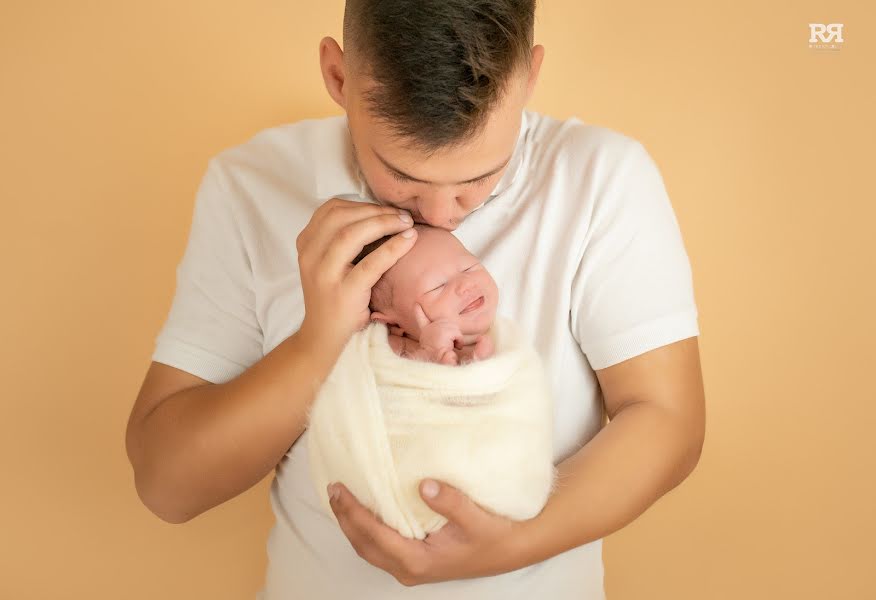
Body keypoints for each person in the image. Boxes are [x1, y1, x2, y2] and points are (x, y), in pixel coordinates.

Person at [125, 0, 706, 598]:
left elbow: (668, 420)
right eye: (401, 175)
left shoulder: (598, 180)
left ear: (529, 78)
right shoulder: (252, 185)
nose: (438, 216)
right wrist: (316, 345)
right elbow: (168, 486)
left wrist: (512, 547)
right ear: (337, 77)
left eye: (480, 179)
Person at [359, 223, 498, 365]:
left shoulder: (507, 327)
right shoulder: (392, 349)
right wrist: (430, 355)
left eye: (468, 268)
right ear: (392, 325)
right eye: (438, 287)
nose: (466, 284)